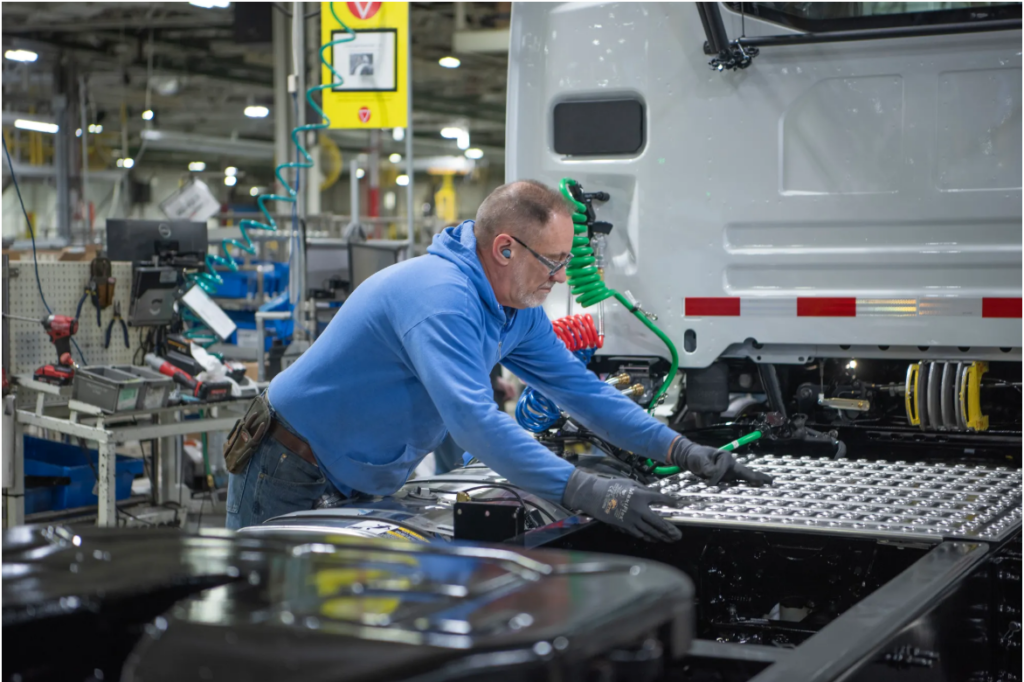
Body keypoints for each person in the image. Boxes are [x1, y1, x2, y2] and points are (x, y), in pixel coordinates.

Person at [225, 180, 772, 541]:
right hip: (288, 465)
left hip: (357, 475)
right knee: (263, 628)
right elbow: (474, 423)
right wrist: (585, 490)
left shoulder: (514, 307)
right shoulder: (441, 297)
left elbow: (580, 391)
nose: (561, 278)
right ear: (505, 248)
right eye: (554, 262)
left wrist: (682, 449)